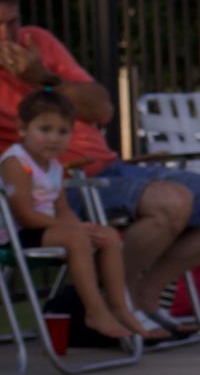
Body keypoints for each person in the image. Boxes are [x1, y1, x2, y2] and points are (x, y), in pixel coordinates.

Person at [0, 0, 200, 335]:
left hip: (111, 168)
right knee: (170, 202)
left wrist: (41, 77)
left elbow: (102, 109)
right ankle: (115, 307)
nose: (7, 36)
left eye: (11, 22)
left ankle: (142, 297)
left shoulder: (36, 42)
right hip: (58, 182)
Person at [0, 89, 165, 344]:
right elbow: (25, 215)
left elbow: (63, 210)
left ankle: (120, 307)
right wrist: (76, 232)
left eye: (62, 131)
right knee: (77, 239)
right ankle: (94, 311)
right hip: (15, 234)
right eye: (45, 129)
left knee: (108, 236)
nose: (53, 138)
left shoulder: (55, 166)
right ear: (22, 129)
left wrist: (83, 227)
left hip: (45, 230)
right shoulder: (16, 162)